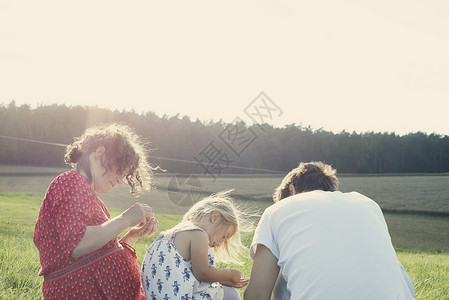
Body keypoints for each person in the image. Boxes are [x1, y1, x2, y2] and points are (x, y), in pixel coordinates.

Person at [244, 161, 416, 300]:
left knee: (277, 270)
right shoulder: (368, 203)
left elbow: (257, 295)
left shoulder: (277, 210)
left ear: (292, 190)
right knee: (396, 269)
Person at [34, 123, 159, 299]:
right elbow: (77, 245)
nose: (121, 180)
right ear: (100, 153)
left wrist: (132, 235)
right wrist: (125, 219)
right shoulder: (71, 182)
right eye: (119, 171)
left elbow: (99, 252)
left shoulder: (90, 197)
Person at [141, 191, 250, 300]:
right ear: (215, 217)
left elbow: (181, 274)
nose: (219, 243)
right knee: (231, 294)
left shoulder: (168, 235)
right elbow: (202, 272)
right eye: (223, 236)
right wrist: (231, 274)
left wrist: (221, 280)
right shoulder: (198, 234)